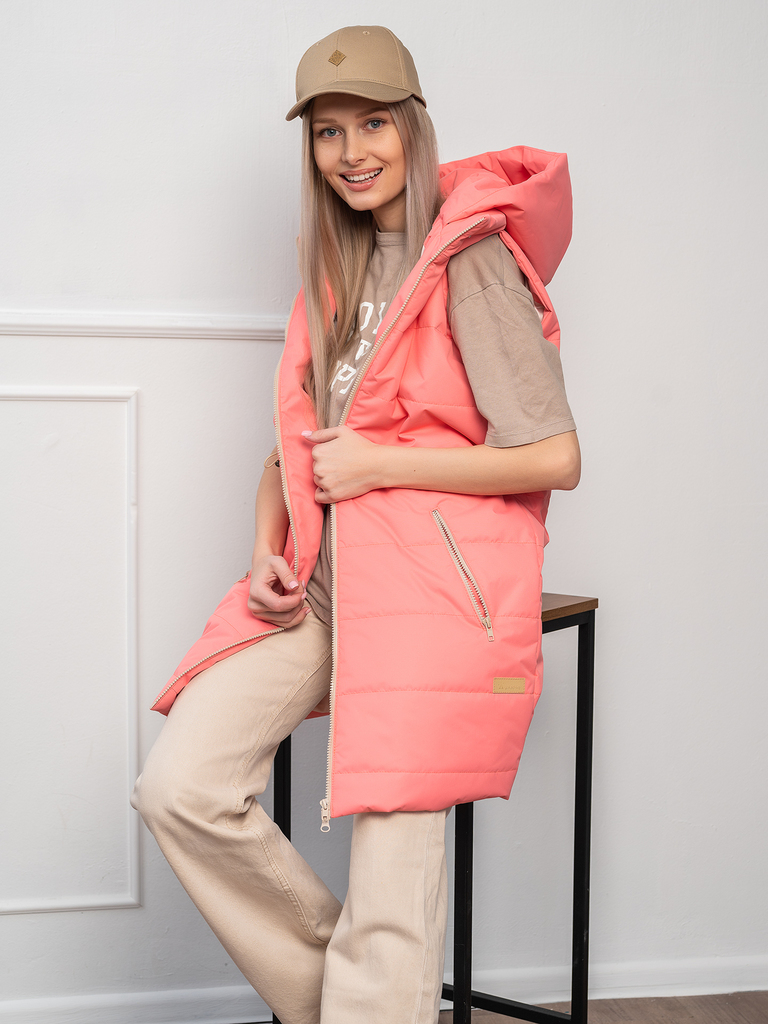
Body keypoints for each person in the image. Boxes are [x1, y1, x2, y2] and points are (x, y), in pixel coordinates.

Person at [132, 24, 580, 1024]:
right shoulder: (337, 267)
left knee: (393, 886)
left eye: (372, 122)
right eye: (328, 132)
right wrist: (265, 547)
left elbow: (555, 454)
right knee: (181, 787)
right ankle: (362, 1000)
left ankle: (378, 998)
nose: (351, 152)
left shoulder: (470, 259)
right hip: (327, 591)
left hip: (430, 600)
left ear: (413, 125)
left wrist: (382, 464)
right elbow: (297, 446)